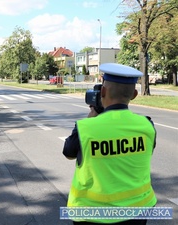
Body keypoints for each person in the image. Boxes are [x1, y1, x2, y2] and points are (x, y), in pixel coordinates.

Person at [63, 63, 157, 225]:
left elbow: (69, 154)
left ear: (103, 91)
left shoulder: (86, 128)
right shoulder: (147, 125)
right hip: (137, 211)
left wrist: (91, 118)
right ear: (134, 94)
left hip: (92, 214)